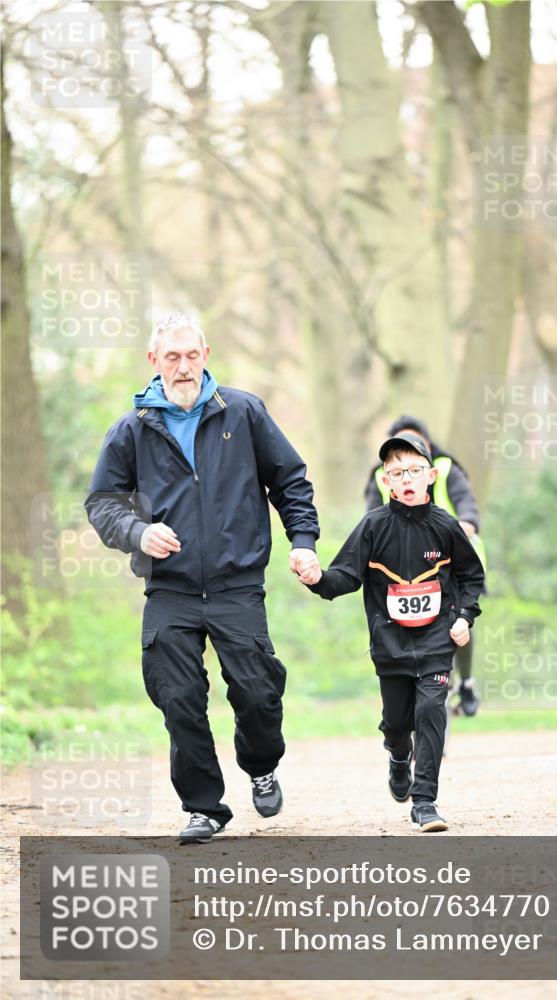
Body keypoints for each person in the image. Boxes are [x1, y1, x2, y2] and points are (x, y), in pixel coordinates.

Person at [84, 312, 320, 844]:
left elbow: (291, 481)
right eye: (172, 357)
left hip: (238, 583)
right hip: (169, 588)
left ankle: (261, 765)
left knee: (258, 693)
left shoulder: (243, 411)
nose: (183, 366)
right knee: (178, 696)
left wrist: (302, 542)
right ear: (154, 361)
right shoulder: (133, 428)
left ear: (206, 354)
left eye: (192, 355)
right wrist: (138, 532)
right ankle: (203, 806)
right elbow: (102, 503)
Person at [298, 433, 485, 832]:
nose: (406, 478)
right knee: (398, 722)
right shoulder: (373, 526)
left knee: (431, 712)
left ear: (431, 475)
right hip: (391, 644)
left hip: (437, 640)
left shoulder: (447, 526)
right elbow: (344, 576)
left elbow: (472, 576)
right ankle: (398, 755)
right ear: (385, 481)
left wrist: (464, 617)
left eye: (414, 470)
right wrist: (317, 579)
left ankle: (425, 803)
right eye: (396, 472)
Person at [364, 415, 486, 717]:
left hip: (451, 564)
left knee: (460, 620)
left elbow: (466, 502)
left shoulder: (446, 468)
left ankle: (465, 680)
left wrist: (466, 524)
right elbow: (369, 515)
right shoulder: (380, 475)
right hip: (403, 570)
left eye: (416, 447)